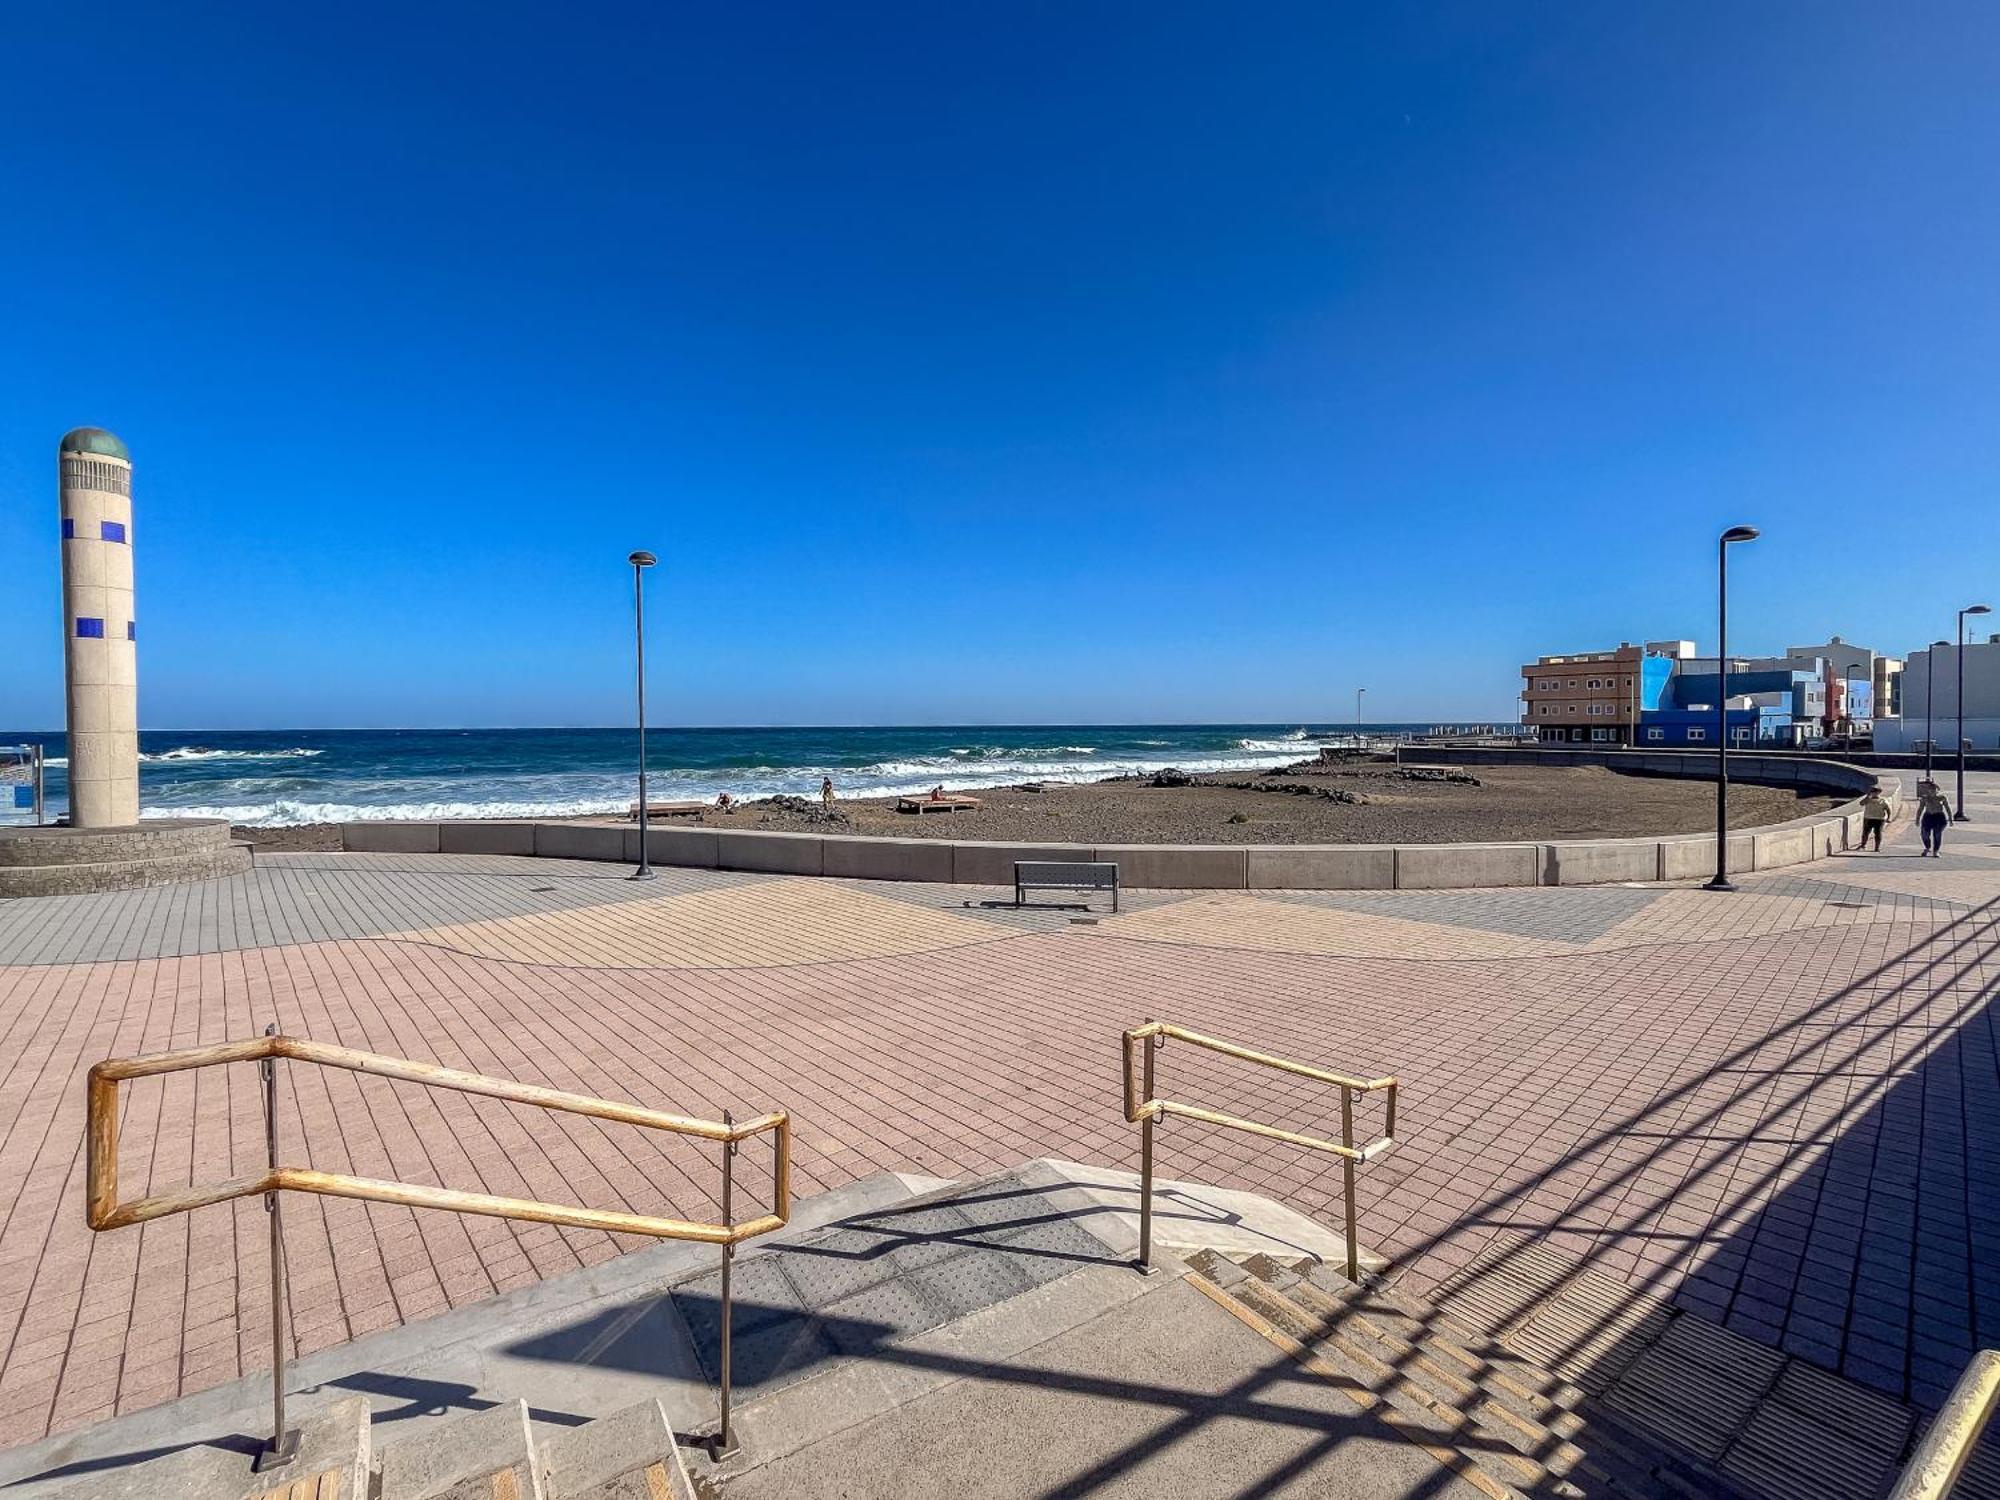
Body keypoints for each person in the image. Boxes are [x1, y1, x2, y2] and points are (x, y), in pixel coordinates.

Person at [1916, 778, 1951, 856]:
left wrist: (1950, 819)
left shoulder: (1942, 798)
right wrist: (1917, 819)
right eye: (1931, 790)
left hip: (1939, 817)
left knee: (1937, 834)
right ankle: (1927, 847)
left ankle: (1936, 851)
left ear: (1937, 790)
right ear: (1928, 790)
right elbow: (1920, 809)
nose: (1932, 791)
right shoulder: (1924, 798)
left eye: (1934, 790)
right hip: (1928, 816)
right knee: (1924, 833)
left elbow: (1947, 808)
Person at [1858, 786, 1890, 851]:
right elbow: (1861, 803)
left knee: (1878, 833)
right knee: (1866, 833)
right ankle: (1863, 845)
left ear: (1879, 792)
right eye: (1873, 791)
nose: (1874, 793)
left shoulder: (1882, 800)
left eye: (1876, 791)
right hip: (1868, 818)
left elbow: (1888, 809)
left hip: (1879, 819)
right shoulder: (1868, 800)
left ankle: (1877, 847)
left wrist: (1888, 818)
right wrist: (1867, 797)